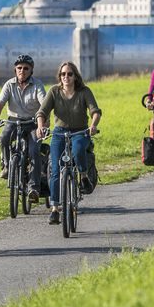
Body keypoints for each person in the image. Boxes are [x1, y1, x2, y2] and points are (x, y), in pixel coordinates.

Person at [36, 61, 102, 225]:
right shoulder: (54, 91)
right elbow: (42, 112)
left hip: (80, 131)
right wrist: (40, 126)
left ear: (75, 76)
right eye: (63, 74)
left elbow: (95, 111)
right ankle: (54, 209)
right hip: (59, 133)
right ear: (60, 76)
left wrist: (93, 126)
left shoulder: (84, 92)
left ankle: (84, 176)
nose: (66, 77)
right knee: (55, 170)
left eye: (69, 74)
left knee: (79, 150)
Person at [0, 54, 47, 197]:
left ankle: (33, 187)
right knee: (4, 138)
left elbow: (44, 105)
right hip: (13, 121)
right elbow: (0, 103)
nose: (22, 71)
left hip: (32, 122)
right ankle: (7, 166)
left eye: (26, 68)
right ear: (15, 70)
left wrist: (42, 125)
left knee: (34, 150)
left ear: (31, 71)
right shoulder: (9, 84)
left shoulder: (37, 85)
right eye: (19, 68)